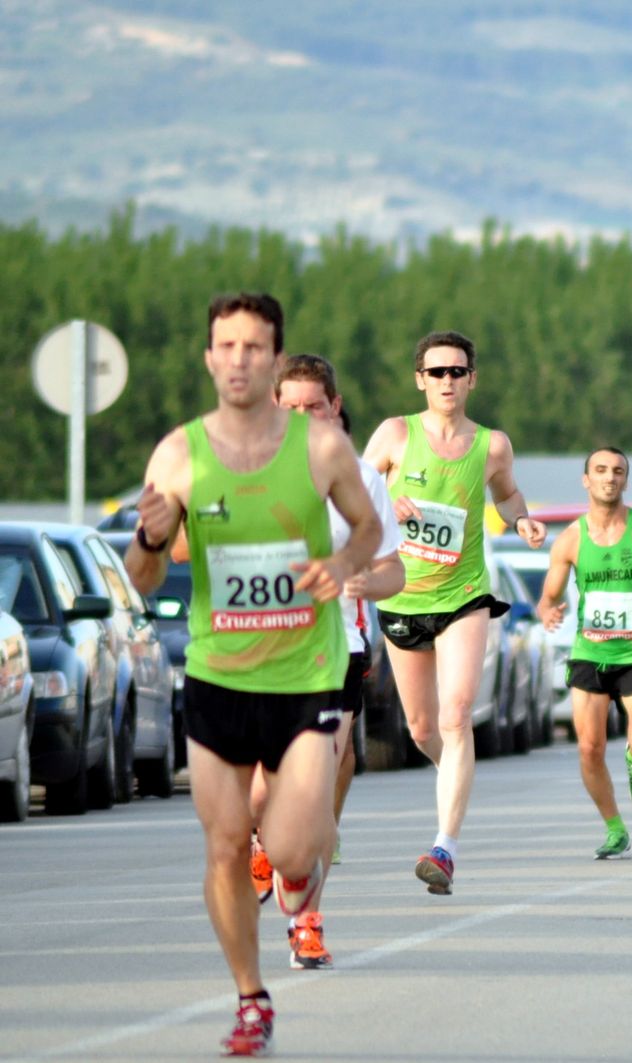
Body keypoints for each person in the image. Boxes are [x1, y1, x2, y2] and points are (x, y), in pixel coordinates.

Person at [124, 293, 381, 1056]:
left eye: (253, 346)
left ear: (274, 361)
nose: (238, 359)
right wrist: (148, 534)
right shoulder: (177, 455)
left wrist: (341, 563)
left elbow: (368, 525)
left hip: (305, 674)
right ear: (210, 358)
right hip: (218, 676)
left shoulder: (321, 450)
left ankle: (300, 881)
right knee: (226, 844)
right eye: (225, 346)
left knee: (297, 849)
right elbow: (142, 577)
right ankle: (251, 996)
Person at [363, 330, 546, 895]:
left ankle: (445, 846)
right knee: (421, 728)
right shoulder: (396, 434)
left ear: (472, 379)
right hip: (401, 593)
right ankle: (456, 780)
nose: (447, 381)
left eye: (457, 372)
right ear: (420, 379)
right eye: (437, 372)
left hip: (464, 594)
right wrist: (385, 499)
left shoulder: (492, 445)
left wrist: (522, 520)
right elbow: (352, 491)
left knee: (456, 713)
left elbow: (508, 495)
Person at [265, 354, 405, 968]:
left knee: (317, 786)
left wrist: (365, 586)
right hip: (259, 650)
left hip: (335, 653)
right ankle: (262, 839)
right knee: (263, 795)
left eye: (313, 407)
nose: (302, 417)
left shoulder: (360, 479)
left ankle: (309, 922)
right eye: (290, 407)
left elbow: (394, 570)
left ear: (335, 408)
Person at [537, 447, 632, 859]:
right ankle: (614, 828)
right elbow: (548, 595)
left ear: (626, 481)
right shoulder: (570, 539)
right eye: (601, 471)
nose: (610, 477)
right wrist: (548, 609)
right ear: (586, 480)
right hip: (590, 650)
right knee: (588, 747)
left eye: (618, 471)